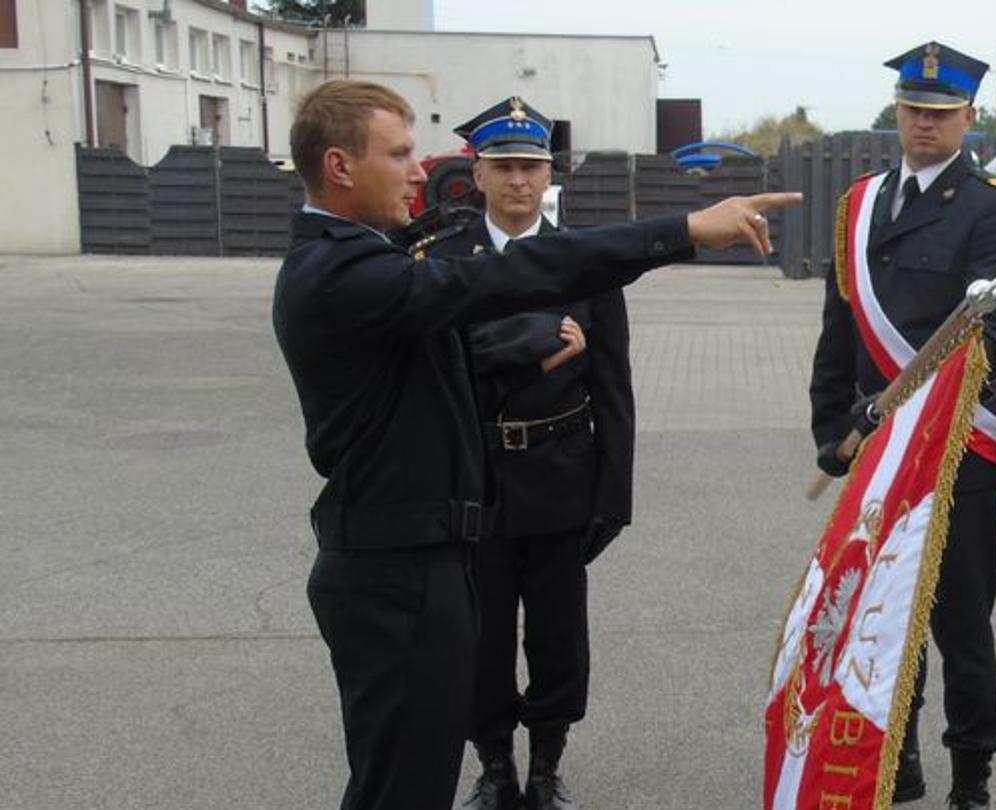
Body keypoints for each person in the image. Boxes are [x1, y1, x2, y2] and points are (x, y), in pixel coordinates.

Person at [273, 78, 795, 810]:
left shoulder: (364, 261)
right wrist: (681, 232)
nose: (423, 170)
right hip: (396, 571)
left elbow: (480, 348)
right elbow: (511, 277)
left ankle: (543, 764)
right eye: (399, 153)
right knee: (400, 787)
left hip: (429, 549)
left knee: (418, 772)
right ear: (339, 166)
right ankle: (499, 765)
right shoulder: (343, 273)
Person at [807, 41, 996, 810]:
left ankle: (971, 777)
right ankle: (892, 760)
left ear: (970, 117)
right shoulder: (861, 203)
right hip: (874, 446)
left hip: (954, 446)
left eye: (941, 114)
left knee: (959, 625)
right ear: (897, 113)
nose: (925, 124)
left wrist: (914, 410)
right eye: (913, 110)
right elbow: (840, 324)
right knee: (879, 617)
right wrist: (830, 424)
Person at [423, 97, 630, 810]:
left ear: (550, 176)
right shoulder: (443, 263)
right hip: (475, 479)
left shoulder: (585, 264)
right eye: (503, 167)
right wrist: (529, 352)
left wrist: (614, 494)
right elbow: (438, 374)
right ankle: (494, 767)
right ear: (475, 175)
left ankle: (545, 767)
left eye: (531, 167)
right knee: (478, 637)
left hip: (562, 475)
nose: (518, 181)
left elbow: (614, 387)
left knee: (557, 637)